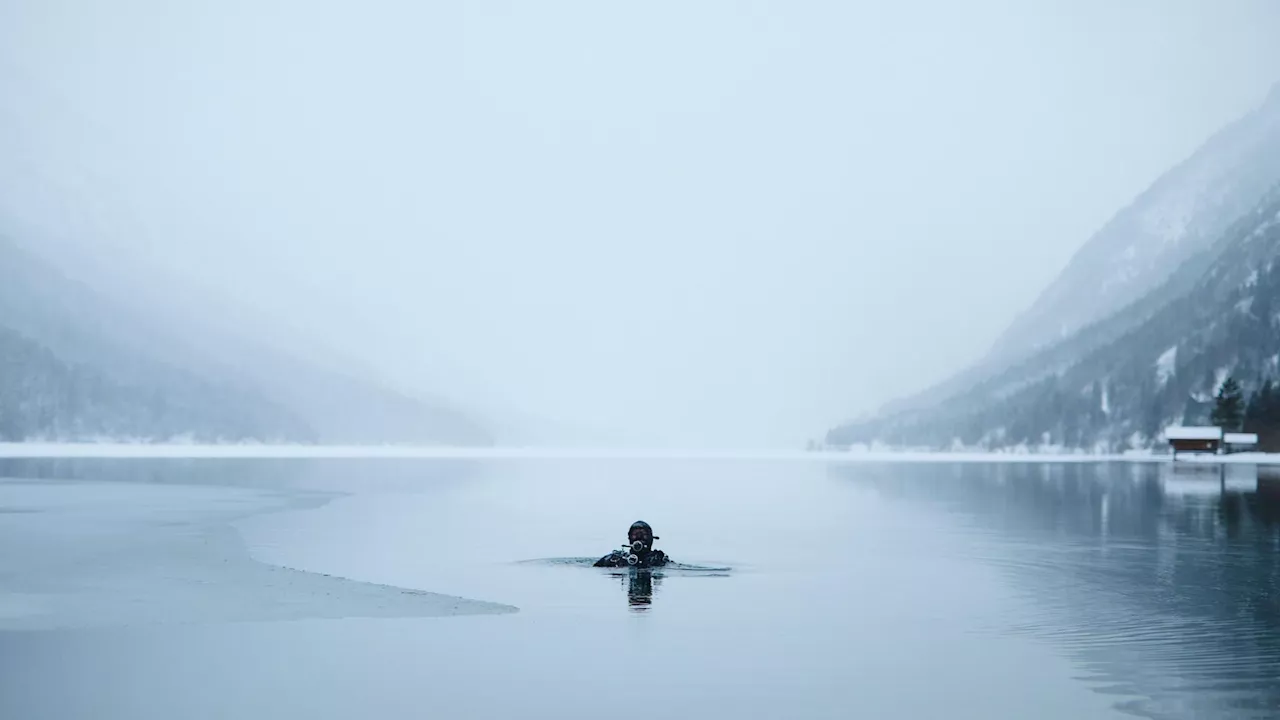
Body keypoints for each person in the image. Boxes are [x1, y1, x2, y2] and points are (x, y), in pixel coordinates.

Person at [593, 520, 669, 568]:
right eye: (635, 534)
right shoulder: (617, 559)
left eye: (644, 534)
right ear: (629, 538)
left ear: (651, 538)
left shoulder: (659, 559)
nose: (639, 538)